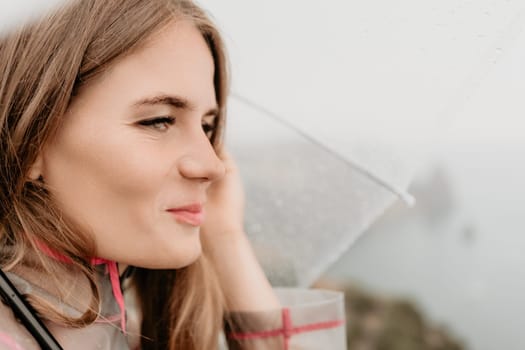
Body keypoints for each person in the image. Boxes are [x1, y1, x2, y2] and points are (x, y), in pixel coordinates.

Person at [0, 0, 346, 349]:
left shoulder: (115, 330)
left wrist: (225, 237)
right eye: (159, 120)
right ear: (30, 142)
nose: (214, 165)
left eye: (208, 127)